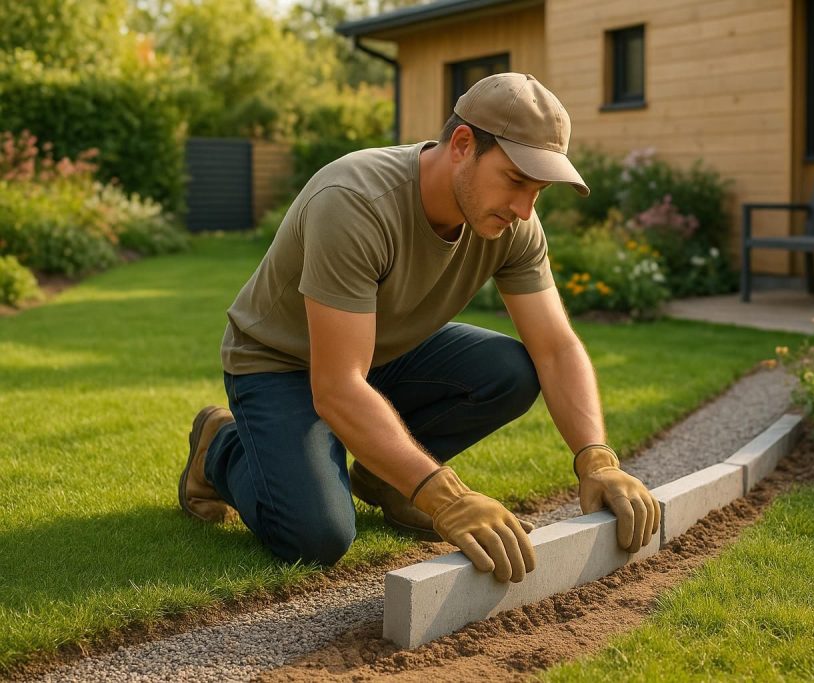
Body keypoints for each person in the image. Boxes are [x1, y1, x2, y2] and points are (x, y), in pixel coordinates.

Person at [178, 72, 660, 584]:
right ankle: (220, 446)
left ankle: (386, 481)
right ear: (462, 144)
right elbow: (338, 386)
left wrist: (597, 459)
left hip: (385, 351)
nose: (524, 209)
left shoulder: (514, 224)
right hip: (281, 363)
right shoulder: (355, 202)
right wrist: (445, 496)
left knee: (510, 369)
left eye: (538, 191)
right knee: (315, 536)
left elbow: (557, 349)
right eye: (516, 181)